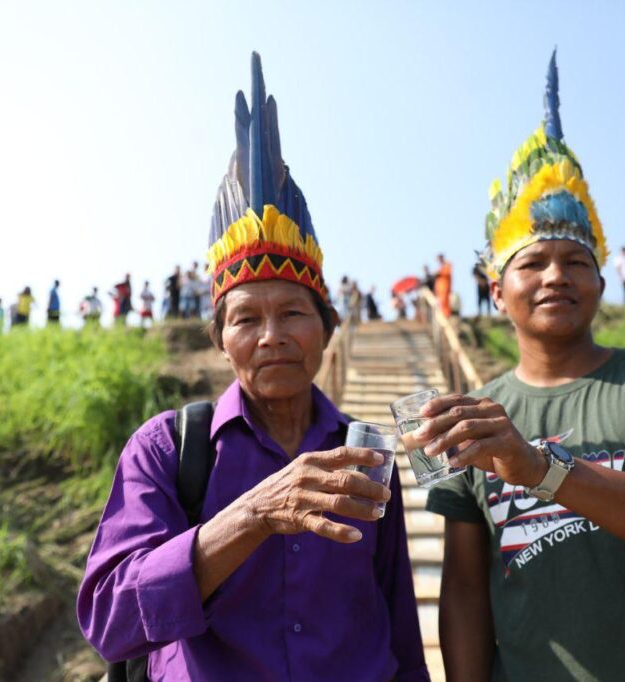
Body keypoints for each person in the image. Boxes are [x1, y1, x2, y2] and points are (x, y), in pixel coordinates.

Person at [78, 55, 427, 681]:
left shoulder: (366, 458)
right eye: (245, 320)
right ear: (219, 339)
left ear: (329, 328)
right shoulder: (168, 449)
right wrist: (253, 515)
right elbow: (110, 620)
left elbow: (399, 624)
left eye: (293, 312)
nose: (271, 337)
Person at [421, 51, 625, 682]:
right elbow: (463, 588)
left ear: (600, 282)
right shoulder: (471, 419)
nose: (555, 276)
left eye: (575, 261)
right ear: (495, 292)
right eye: (533, 262)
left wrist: (541, 469)